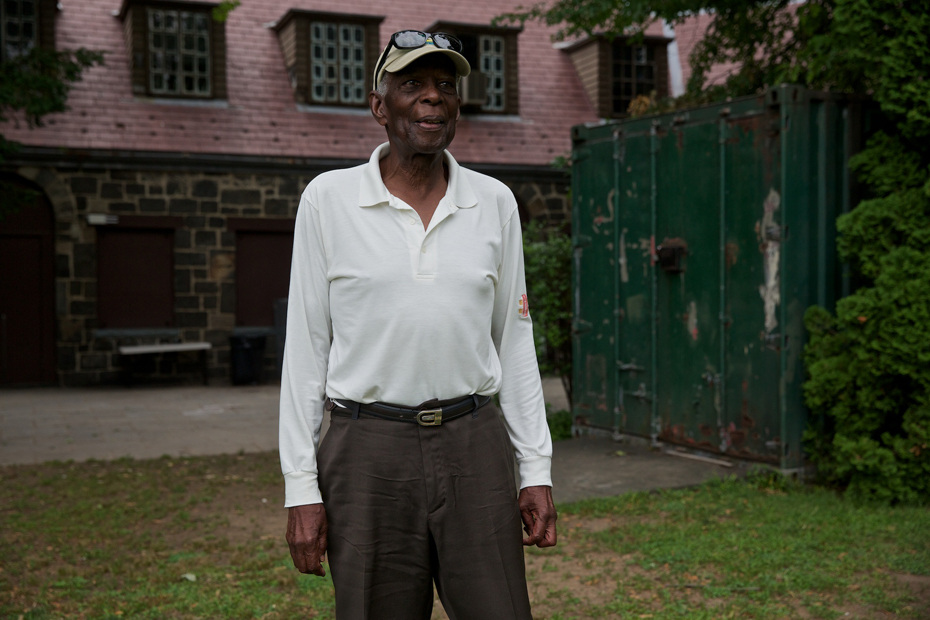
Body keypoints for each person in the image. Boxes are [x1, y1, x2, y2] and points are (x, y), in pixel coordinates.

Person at [279, 29, 556, 619]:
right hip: (366, 452)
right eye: (413, 85)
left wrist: (535, 469)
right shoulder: (327, 201)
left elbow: (515, 341)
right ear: (379, 105)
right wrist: (300, 486)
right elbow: (306, 349)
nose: (432, 98)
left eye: (445, 86)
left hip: (475, 445)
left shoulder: (495, 203)